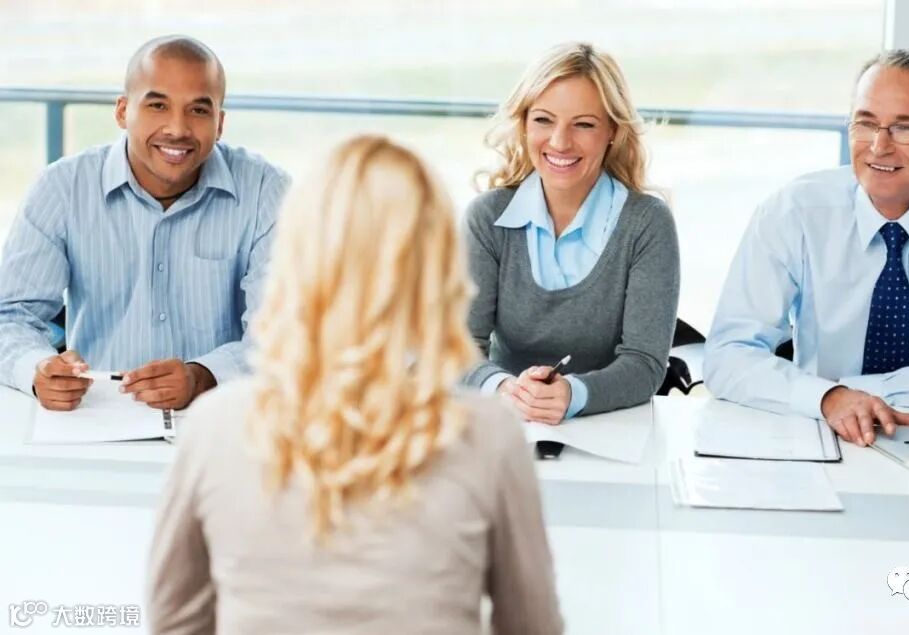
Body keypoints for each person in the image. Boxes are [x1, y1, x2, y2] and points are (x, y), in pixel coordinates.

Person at [147, 135, 563, 634]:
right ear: (435, 268)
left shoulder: (214, 427)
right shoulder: (489, 435)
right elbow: (531, 627)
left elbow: (174, 622)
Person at [703, 49, 909, 446]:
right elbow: (727, 356)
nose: (879, 146)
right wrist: (828, 398)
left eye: (905, 128)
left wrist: (852, 390)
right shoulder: (794, 212)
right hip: (824, 434)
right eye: (866, 123)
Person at [0, 35, 288, 411]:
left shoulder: (268, 192)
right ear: (123, 111)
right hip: (94, 414)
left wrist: (203, 376)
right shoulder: (62, 188)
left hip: (223, 414)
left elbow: (284, 332)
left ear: (219, 123)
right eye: (157, 105)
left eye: (198, 110)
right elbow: (11, 315)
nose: (177, 129)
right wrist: (37, 368)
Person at [463, 42, 680, 423]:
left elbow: (645, 363)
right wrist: (507, 389)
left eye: (584, 124)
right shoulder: (487, 218)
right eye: (543, 120)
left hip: (612, 430)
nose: (560, 142)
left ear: (612, 131)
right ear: (524, 124)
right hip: (506, 424)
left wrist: (572, 394)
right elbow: (454, 349)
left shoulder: (647, 223)